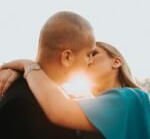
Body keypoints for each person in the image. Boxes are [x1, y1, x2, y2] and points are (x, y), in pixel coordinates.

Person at [0, 41, 150, 139]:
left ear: (116, 62)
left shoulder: (131, 97)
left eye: (93, 54)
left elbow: (58, 109)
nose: (87, 60)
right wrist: (17, 73)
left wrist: (27, 65)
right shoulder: (84, 106)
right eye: (85, 56)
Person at [0, 11, 102, 139]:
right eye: (89, 54)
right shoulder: (21, 103)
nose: (91, 61)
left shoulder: (55, 98)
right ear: (67, 57)